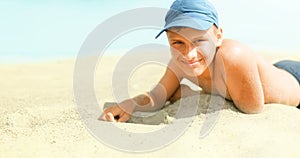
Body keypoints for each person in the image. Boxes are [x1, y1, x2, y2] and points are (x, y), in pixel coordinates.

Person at [99, 0, 300, 122]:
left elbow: (252, 107)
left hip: (295, 80)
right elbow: (157, 97)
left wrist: (193, 94)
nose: (189, 54)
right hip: (276, 71)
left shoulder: (233, 56)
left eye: (199, 40)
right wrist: (131, 104)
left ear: (218, 36)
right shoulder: (180, 63)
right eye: (178, 42)